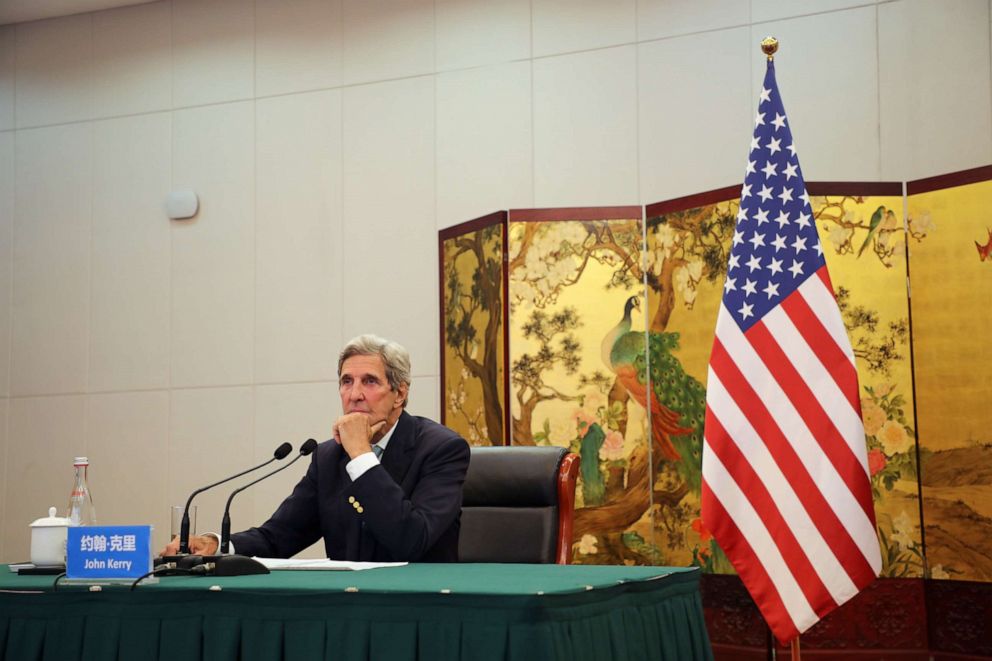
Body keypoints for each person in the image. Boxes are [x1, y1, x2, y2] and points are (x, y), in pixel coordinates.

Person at [162, 334, 471, 561]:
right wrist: (217, 545)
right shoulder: (327, 457)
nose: (355, 394)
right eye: (346, 381)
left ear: (400, 394)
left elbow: (410, 540)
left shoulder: (442, 449)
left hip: (417, 608)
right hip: (344, 607)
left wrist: (361, 455)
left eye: (370, 382)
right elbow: (278, 538)